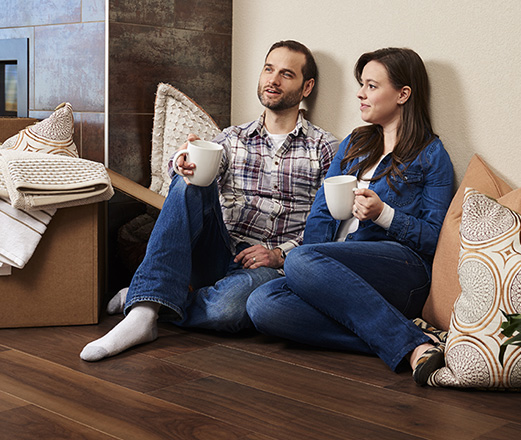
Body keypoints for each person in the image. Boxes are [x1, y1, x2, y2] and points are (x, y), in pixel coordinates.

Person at [80, 40, 339, 362]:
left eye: (286, 74)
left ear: (306, 87)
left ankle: (149, 298)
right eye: (269, 69)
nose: (273, 80)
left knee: (226, 311)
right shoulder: (232, 138)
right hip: (216, 250)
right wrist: (183, 162)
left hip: (266, 266)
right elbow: (192, 177)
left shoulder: (326, 148)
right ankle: (143, 314)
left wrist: (279, 254)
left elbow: (328, 222)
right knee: (190, 182)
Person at [246, 47, 454, 386]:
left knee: (299, 260)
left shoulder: (431, 155)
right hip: (335, 271)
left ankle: (407, 342)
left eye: (372, 86)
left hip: (400, 270)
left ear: (403, 94)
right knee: (262, 305)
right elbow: (320, 214)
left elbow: (434, 238)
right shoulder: (356, 143)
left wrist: (384, 214)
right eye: (361, 84)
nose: (360, 93)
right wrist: (306, 266)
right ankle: (404, 342)